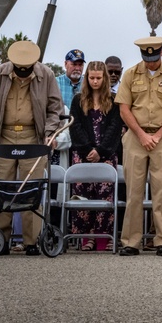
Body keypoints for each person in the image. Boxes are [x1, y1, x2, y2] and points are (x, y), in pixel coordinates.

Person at [0, 39, 63, 256]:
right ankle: (0, 239)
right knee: (1, 187)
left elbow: (55, 108)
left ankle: (32, 241)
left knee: (32, 189)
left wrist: (49, 132)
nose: (23, 73)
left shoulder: (47, 75)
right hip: (3, 136)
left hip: (33, 136)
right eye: (20, 70)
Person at [116, 36, 162, 256]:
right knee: (134, 191)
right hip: (135, 137)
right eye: (147, 58)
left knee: (161, 190)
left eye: (154, 57)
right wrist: (141, 134)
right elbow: (124, 108)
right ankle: (131, 242)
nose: (151, 62)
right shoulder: (130, 74)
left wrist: (157, 135)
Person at [68, 61, 123, 251]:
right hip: (82, 154)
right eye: (91, 77)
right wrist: (88, 149)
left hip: (106, 154)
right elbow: (74, 126)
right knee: (83, 197)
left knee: (105, 197)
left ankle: (103, 237)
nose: (95, 81)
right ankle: (86, 238)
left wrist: (100, 151)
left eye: (98, 78)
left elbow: (115, 128)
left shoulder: (115, 100)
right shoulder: (78, 100)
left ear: (105, 79)